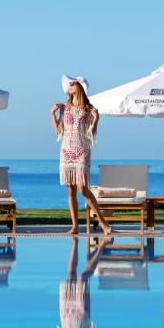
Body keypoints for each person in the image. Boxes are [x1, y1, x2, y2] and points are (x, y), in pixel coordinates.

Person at [51, 75, 112, 235]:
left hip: (82, 151)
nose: (69, 86)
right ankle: (75, 226)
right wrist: (52, 114)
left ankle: (103, 223)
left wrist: (96, 119)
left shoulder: (89, 109)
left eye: (72, 84)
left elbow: (91, 134)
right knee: (70, 189)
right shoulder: (64, 108)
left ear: (79, 87)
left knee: (82, 189)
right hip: (66, 151)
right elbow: (59, 132)